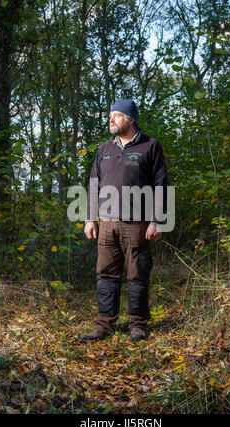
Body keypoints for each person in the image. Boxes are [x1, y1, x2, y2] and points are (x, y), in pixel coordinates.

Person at [79, 98, 168, 342]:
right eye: (110, 115)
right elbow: (94, 186)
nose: (111, 119)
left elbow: (161, 184)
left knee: (137, 275)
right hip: (107, 224)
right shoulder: (104, 150)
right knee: (106, 275)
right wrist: (89, 219)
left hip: (137, 224)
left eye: (117, 115)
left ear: (130, 119)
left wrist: (157, 220)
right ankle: (104, 325)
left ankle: (137, 325)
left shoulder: (150, 146)